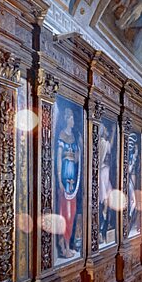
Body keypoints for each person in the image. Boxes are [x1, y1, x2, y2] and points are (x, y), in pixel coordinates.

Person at [55, 108, 81, 259]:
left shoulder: (74, 138)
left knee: (72, 213)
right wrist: (59, 179)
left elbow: (76, 160)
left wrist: (81, 149)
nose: (73, 121)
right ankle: (63, 245)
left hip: (73, 182)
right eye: (71, 119)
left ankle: (67, 242)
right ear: (67, 119)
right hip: (65, 179)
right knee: (64, 212)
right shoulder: (62, 136)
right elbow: (59, 159)